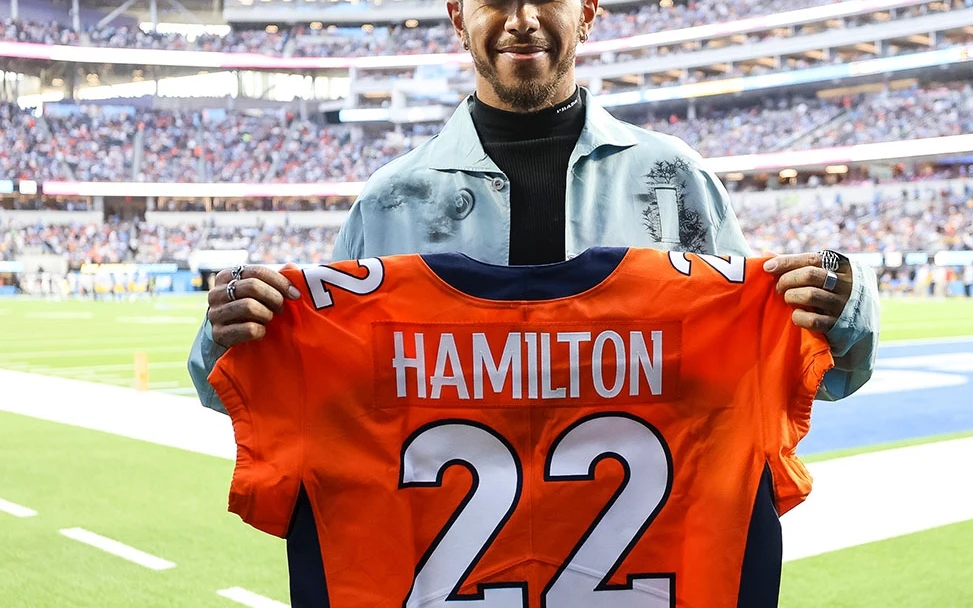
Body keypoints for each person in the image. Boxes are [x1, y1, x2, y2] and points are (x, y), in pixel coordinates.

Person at [187, 0, 880, 601]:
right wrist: (232, 335)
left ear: (588, 9)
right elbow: (290, 391)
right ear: (459, 16)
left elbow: (793, 372)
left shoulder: (676, 180)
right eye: (494, 0)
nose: (521, 20)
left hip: (643, 570)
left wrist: (840, 301)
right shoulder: (390, 199)